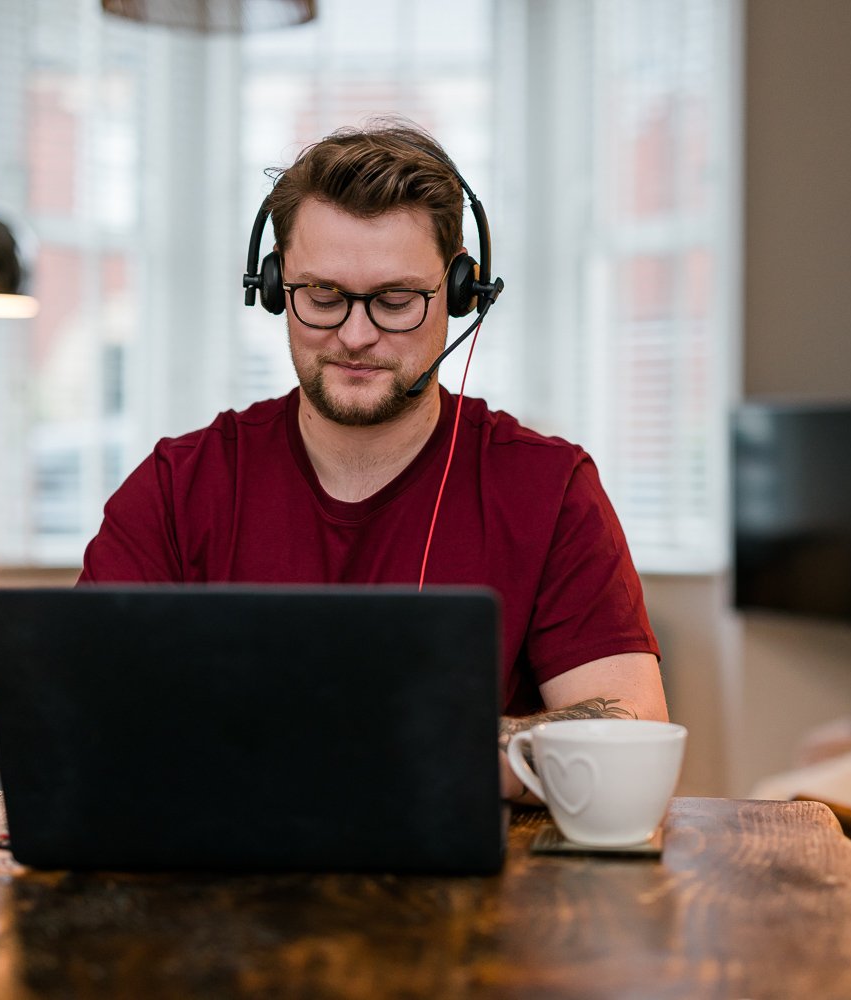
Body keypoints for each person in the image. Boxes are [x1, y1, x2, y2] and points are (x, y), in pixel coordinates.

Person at [79, 120, 668, 800]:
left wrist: (350, 741)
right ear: (273, 289)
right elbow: (87, 720)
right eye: (323, 297)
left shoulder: (550, 489)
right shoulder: (178, 486)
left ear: (458, 295)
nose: (356, 336)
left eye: (395, 301)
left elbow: (629, 734)